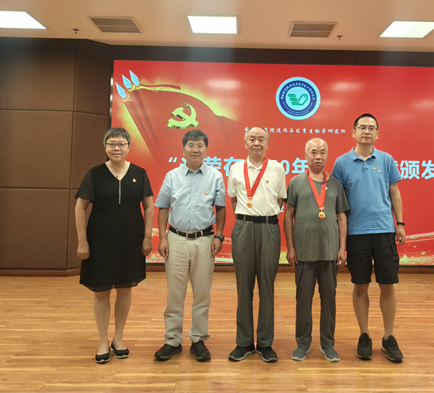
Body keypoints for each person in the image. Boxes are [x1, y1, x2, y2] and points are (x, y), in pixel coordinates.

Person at [75, 127, 154, 364]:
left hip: (130, 240)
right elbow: (80, 207)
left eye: (121, 144)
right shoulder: (95, 174)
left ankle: (118, 338)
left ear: (129, 147)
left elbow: (149, 207)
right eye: (111, 144)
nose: (116, 148)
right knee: (101, 291)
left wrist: (147, 237)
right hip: (100, 240)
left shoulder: (139, 173)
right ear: (105, 147)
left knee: (125, 288)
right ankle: (103, 340)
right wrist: (82, 241)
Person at [331, 113, 406, 363]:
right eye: (362, 127)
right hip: (356, 233)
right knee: (360, 285)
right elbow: (337, 201)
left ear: (377, 133)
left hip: (384, 230)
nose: (366, 131)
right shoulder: (341, 162)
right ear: (353, 132)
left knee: (387, 284)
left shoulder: (386, 159)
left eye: (371, 127)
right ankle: (364, 335)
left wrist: (400, 223)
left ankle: (388, 337)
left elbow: (394, 192)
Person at [153, 129, 226, 362]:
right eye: (191, 145)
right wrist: (163, 238)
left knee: (202, 294)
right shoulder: (172, 176)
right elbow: (163, 207)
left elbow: (221, 208)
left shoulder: (215, 176)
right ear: (183, 149)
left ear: (206, 149)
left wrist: (219, 236)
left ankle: (198, 340)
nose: (195, 149)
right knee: (175, 293)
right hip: (176, 240)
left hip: (205, 240)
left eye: (200, 145)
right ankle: (172, 340)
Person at [284, 138, 348, 362]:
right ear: (305, 155)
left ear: (327, 155)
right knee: (303, 301)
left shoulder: (336, 184)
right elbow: (288, 216)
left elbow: (342, 217)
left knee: (329, 301)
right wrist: (291, 248)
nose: (318, 156)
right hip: (304, 253)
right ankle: (303, 343)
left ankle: (327, 344)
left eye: (322, 152)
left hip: (329, 252)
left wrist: (342, 248)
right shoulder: (295, 183)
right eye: (313, 152)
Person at [227, 126, 287, 362]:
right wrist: (247, 218)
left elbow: (281, 200)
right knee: (244, 286)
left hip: (269, 228)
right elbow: (234, 199)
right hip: (243, 227)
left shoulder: (278, 168)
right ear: (245, 143)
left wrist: (263, 216)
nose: (256, 143)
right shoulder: (235, 168)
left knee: (267, 286)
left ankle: (265, 343)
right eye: (252, 139)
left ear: (267, 143)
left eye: (261, 139)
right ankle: (244, 342)